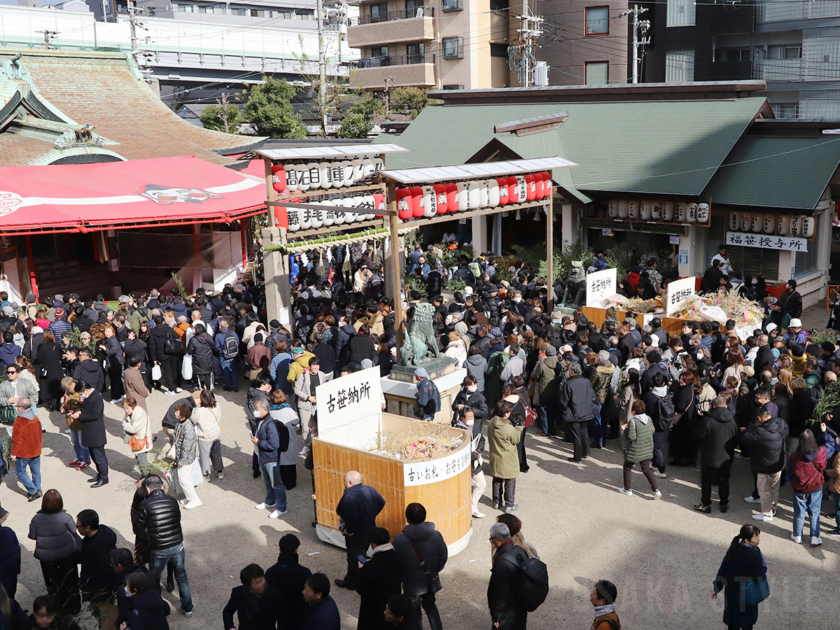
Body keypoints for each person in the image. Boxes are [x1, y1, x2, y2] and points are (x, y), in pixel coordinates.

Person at [132, 474, 193, 618]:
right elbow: (177, 519)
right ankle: (188, 608)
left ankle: (158, 607)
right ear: (162, 486)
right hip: (177, 544)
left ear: (147, 488)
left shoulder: (145, 505)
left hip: (159, 548)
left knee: (154, 580)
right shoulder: (172, 501)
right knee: (182, 577)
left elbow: (137, 529)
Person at [392, 504, 447, 630]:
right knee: (431, 607)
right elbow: (443, 557)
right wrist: (434, 570)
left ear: (407, 519)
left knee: (414, 613)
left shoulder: (399, 540)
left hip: (411, 584)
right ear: (424, 516)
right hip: (429, 581)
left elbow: (396, 564)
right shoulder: (436, 535)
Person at [28, 490, 81, 615]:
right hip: (66, 554)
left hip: (46, 557)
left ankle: (57, 607)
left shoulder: (36, 519)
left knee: (52, 581)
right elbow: (74, 531)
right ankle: (74, 607)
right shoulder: (66, 517)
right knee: (71, 581)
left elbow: (32, 536)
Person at [335, 471, 386, 590]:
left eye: (344, 481)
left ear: (350, 483)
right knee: (361, 554)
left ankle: (352, 582)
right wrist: (372, 514)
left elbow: (351, 519)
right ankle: (362, 577)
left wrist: (349, 531)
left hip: (357, 534)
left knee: (355, 557)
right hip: (370, 528)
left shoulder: (350, 498)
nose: (343, 483)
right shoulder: (370, 489)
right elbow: (381, 502)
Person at [713, 524, 767, 630]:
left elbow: (723, 569)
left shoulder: (733, 549)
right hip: (748, 593)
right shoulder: (755, 554)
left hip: (732, 593)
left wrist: (717, 588)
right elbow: (760, 575)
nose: (758, 540)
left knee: (733, 623)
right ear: (747, 540)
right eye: (756, 537)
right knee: (747, 623)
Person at [742, 404, 788, 522]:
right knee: (774, 488)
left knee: (764, 490)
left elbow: (746, 438)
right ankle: (773, 508)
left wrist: (751, 426)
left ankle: (767, 514)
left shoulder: (759, 431)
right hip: (778, 463)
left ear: (759, 418)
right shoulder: (781, 423)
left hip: (764, 466)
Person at [694, 396, 739, 514]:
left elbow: (699, 435)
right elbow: (736, 439)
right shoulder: (733, 420)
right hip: (726, 456)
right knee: (724, 480)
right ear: (726, 405)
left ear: (714, 405)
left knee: (706, 480)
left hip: (709, 455)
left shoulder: (708, 420)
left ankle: (705, 504)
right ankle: (724, 503)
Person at [356, 527, 403, 630]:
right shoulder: (398, 557)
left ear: (373, 544)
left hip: (372, 608)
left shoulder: (370, 566)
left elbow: (360, 589)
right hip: (391, 602)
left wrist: (361, 570)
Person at [76, 509, 117, 624]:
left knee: (104, 616)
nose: (77, 528)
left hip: (100, 591)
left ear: (87, 527)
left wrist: (91, 592)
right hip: (96, 586)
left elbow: (104, 576)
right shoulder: (99, 535)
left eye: (78, 526)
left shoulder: (100, 551)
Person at [487, 522, 529, 630]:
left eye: (491, 539)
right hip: (520, 607)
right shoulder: (521, 551)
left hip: (507, 612)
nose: (492, 542)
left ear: (498, 539)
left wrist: (496, 615)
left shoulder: (503, 563)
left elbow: (500, 593)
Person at [265, 534, 312, 630]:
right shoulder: (304, 572)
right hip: (300, 612)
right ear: (296, 550)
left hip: (280, 613)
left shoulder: (271, 572)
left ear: (280, 550)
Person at [253, 399, 289, 519]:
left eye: (257, 409)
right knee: (267, 482)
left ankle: (282, 507)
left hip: (271, 459)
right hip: (263, 457)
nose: (255, 411)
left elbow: (274, 445)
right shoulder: (262, 421)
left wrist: (259, 442)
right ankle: (270, 500)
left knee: (277, 484)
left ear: (265, 410)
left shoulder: (271, 424)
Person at [789, 428, 826, 545]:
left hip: (799, 488)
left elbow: (790, 470)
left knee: (799, 512)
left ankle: (797, 535)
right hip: (816, 487)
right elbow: (824, 466)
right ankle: (815, 537)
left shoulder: (795, 456)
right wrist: (824, 432)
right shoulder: (820, 452)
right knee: (815, 512)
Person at [68, 381, 109, 488]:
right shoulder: (90, 396)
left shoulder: (96, 398)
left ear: (86, 390)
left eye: (81, 393)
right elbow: (87, 410)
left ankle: (104, 477)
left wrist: (79, 416)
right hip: (90, 432)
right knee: (94, 455)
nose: (81, 395)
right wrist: (78, 412)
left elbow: (95, 415)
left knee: (99, 457)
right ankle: (100, 474)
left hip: (95, 432)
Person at [618, 400, 661, 499]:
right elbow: (652, 430)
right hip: (647, 447)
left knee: (627, 467)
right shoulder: (648, 419)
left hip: (634, 449)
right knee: (646, 469)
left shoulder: (633, 421)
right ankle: (656, 490)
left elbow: (632, 437)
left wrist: (627, 429)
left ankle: (627, 489)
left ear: (633, 412)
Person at [222, 563, 283, 630]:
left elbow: (283, 616)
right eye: (256, 583)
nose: (260, 585)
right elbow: (228, 611)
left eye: (262, 580)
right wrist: (230, 627)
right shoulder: (239, 593)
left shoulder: (275, 593)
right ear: (248, 585)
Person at [487, 400, 522, 512]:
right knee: (510, 481)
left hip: (495, 457)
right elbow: (516, 439)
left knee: (497, 479)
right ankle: (509, 504)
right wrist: (519, 428)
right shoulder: (508, 429)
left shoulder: (492, 422)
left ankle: (496, 502)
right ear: (506, 414)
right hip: (508, 459)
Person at [559, 362, 597, 463]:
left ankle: (577, 457)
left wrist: (565, 410)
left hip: (574, 413)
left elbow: (564, 401)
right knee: (584, 432)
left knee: (576, 436)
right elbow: (593, 396)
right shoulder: (586, 381)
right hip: (586, 411)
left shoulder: (568, 384)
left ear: (572, 372)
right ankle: (586, 452)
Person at [454, 407, 486, 518]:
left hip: (475, 463)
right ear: (462, 419)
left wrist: (479, 451)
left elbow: (482, 438)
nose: (472, 419)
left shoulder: (475, 425)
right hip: (465, 463)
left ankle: (472, 507)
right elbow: (460, 449)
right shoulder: (458, 431)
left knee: (481, 484)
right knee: (463, 487)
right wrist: (474, 455)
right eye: (469, 417)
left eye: (472, 416)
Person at [294, 357, 331, 448]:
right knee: (305, 427)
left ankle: (315, 446)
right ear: (310, 366)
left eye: (317, 365)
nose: (315, 367)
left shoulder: (322, 375)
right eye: (314, 365)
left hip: (317, 405)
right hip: (305, 404)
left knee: (316, 425)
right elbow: (297, 390)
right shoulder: (303, 376)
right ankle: (307, 446)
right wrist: (308, 398)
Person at [11, 398, 42, 501]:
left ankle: (33, 490)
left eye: (17, 407)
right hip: (36, 451)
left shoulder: (19, 421)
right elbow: (40, 435)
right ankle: (38, 489)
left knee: (20, 472)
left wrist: (13, 453)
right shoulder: (36, 417)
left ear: (21, 407)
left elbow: (16, 439)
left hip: (23, 453)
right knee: (36, 471)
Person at [268, 389, 299, 489]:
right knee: (290, 462)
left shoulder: (270, 410)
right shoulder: (288, 410)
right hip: (289, 437)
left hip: (276, 437)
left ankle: (281, 480)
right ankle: (290, 483)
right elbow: (296, 421)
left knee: (279, 461)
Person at [173, 402, 201, 510]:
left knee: (183, 479)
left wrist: (181, 460)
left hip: (185, 458)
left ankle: (194, 499)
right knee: (186, 478)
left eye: (177, 411)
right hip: (181, 456)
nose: (175, 413)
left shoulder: (188, 427)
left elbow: (187, 446)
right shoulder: (180, 423)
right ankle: (190, 497)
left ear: (182, 414)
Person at [193, 388, 224, 482]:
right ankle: (219, 471)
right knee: (216, 453)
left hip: (204, 437)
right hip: (215, 433)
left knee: (204, 456)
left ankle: (206, 474)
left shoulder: (199, 411)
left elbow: (194, 421)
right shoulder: (217, 405)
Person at [121, 396, 152, 471]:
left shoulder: (138, 413)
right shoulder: (133, 412)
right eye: (124, 408)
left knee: (142, 459)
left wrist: (125, 425)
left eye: (127, 408)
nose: (126, 410)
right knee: (139, 458)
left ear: (133, 406)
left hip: (141, 440)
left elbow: (133, 429)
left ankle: (146, 476)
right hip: (138, 440)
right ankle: (146, 475)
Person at [214, 320, 241, 392]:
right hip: (233, 355)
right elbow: (237, 343)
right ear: (228, 325)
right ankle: (235, 386)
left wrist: (221, 352)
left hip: (224, 356)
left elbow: (216, 347)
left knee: (225, 371)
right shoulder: (233, 333)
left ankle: (228, 386)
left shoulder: (218, 336)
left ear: (220, 327)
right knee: (233, 370)